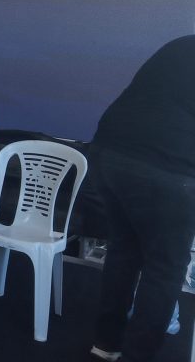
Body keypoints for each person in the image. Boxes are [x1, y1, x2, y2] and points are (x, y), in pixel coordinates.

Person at [87, 35, 195, 362]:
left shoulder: (183, 44)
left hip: (111, 151)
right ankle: (138, 355)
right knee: (164, 268)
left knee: (124, 252)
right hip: (168, 169)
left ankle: (105, 345)